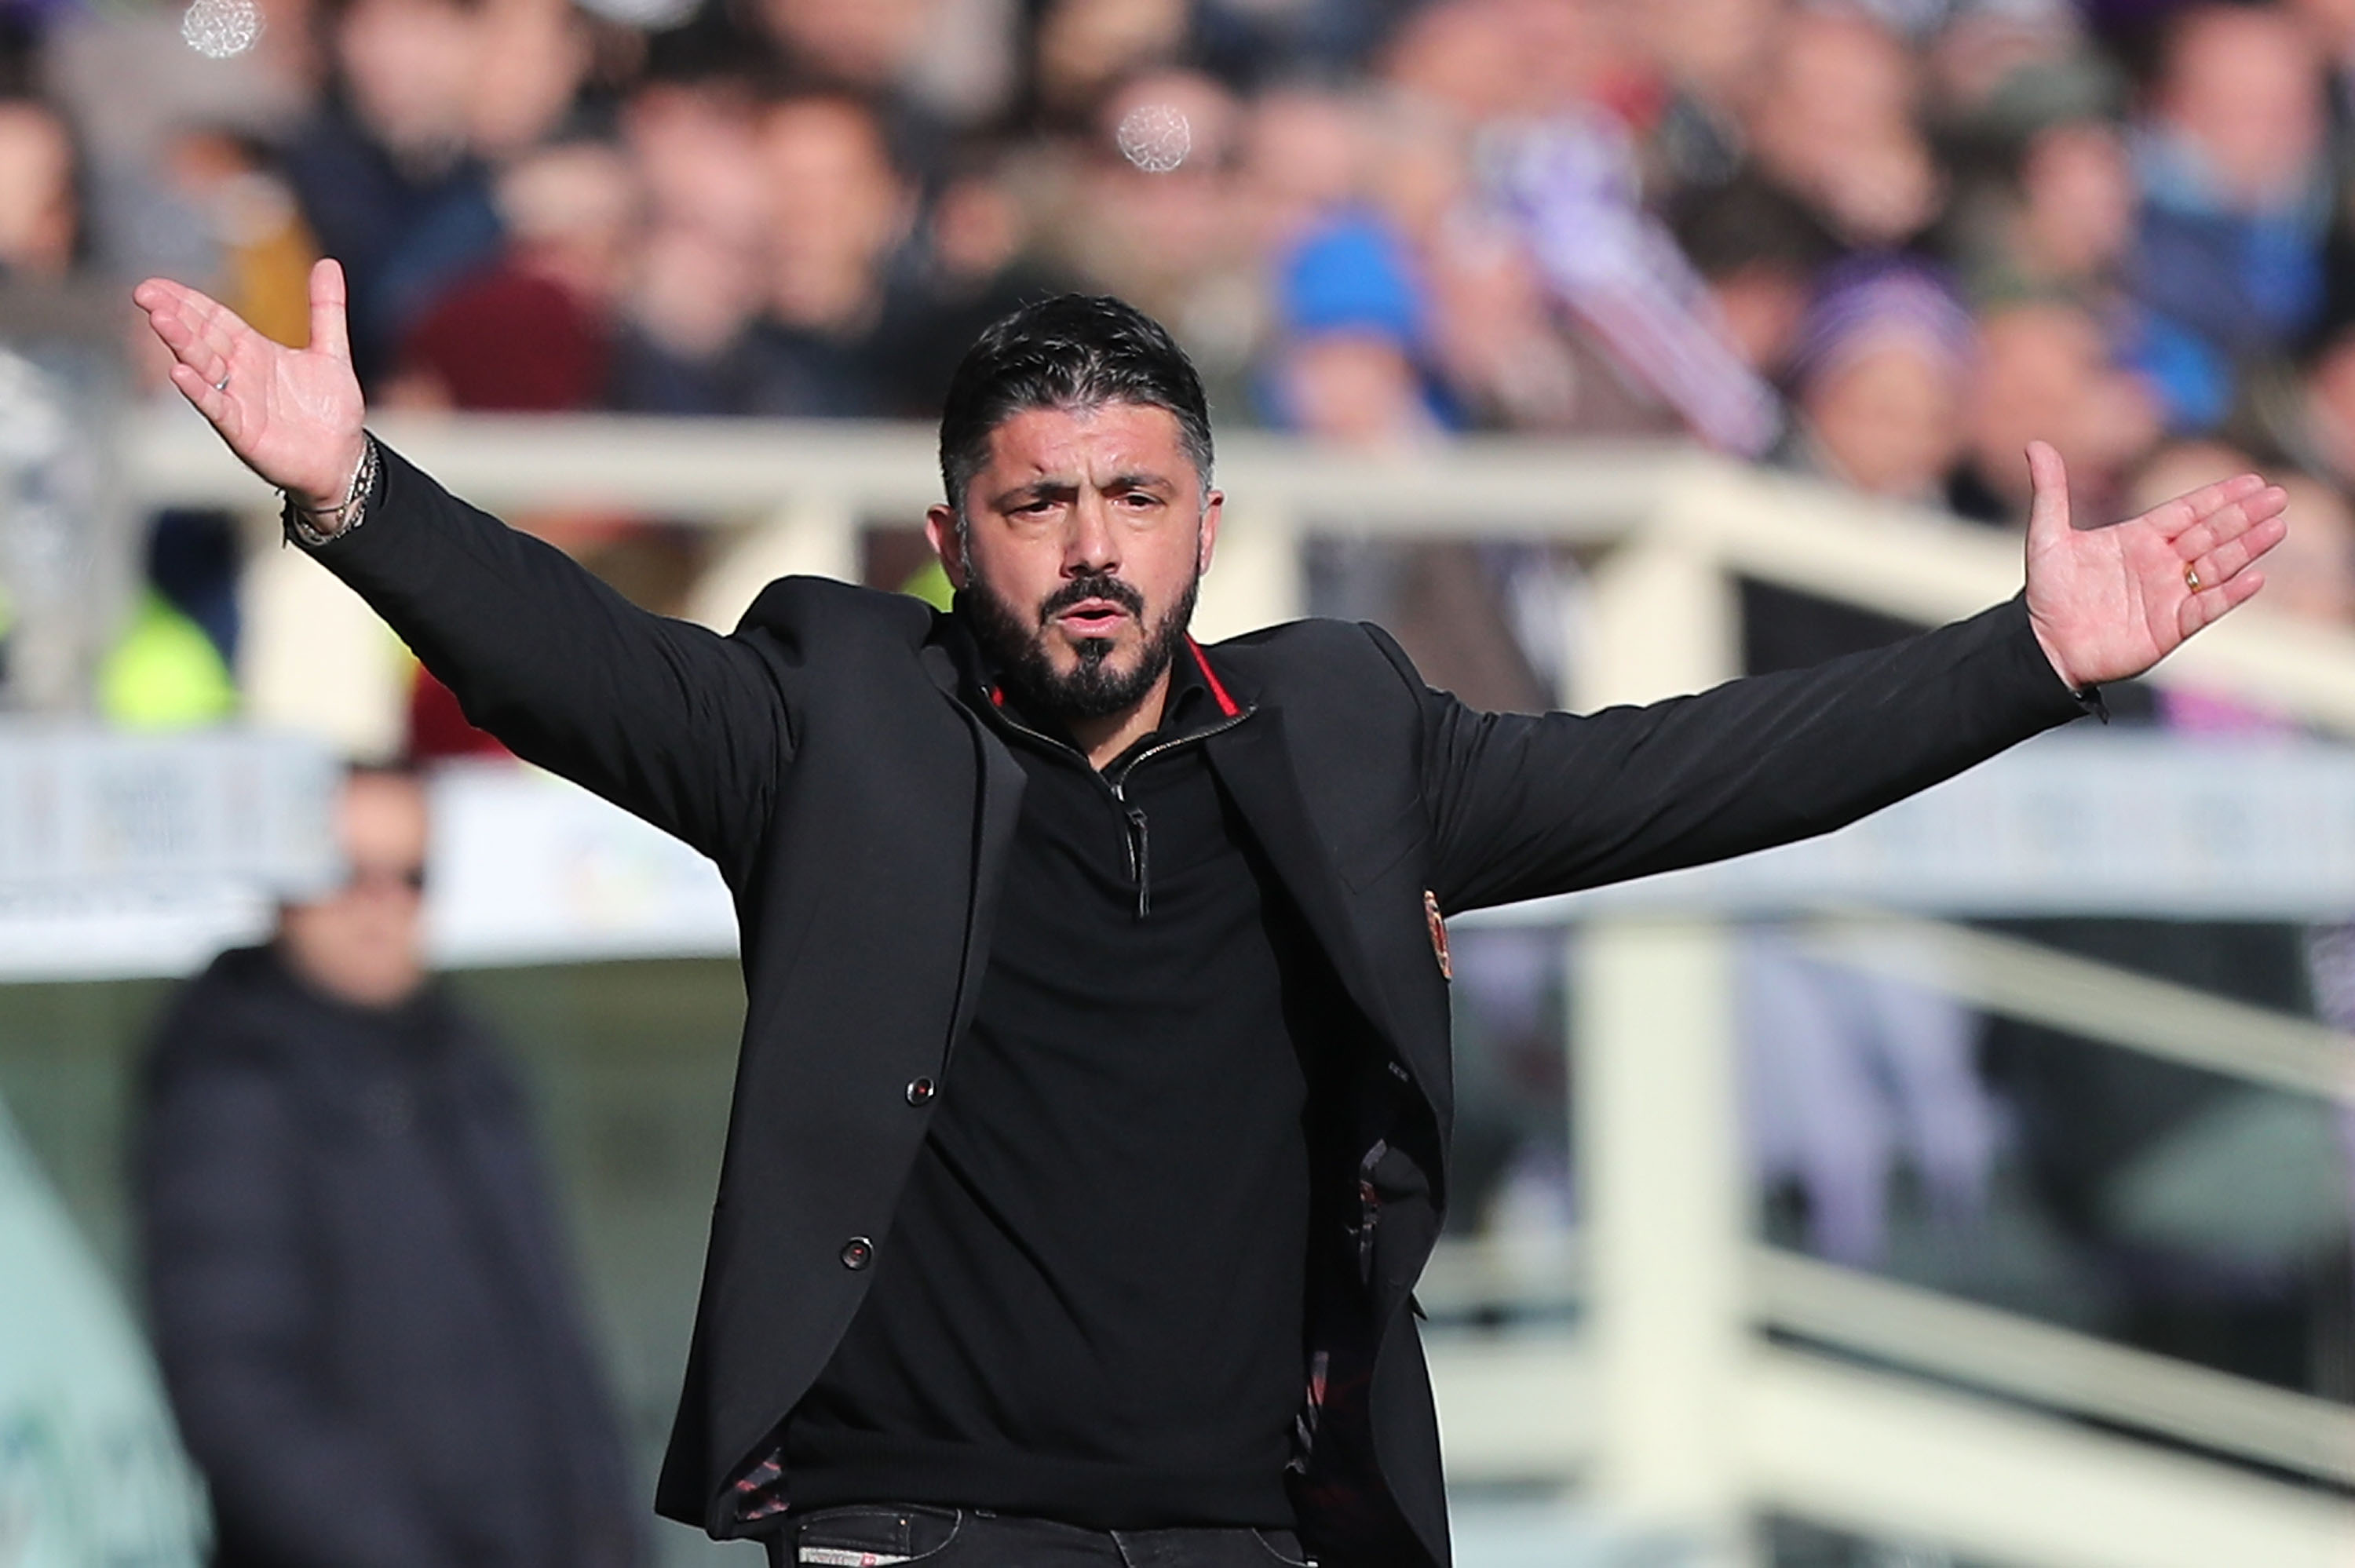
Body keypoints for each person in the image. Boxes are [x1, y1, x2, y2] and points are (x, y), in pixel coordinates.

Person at [131, 258, 2286, 1568]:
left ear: (1206, 523)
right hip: (916, 1521)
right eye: (1037, 501)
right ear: (950, 537)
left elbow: (1691, 768)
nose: (1090, 544)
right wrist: (352, 493)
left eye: (1134, 496)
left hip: (1258, 1525)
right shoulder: (829, 723)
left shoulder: (1342, 736)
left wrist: (2028, 657)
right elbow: (568, 658)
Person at [134, 764, 644, 1568]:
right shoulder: (231, 1078)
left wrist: (611, 1537)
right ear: (284, 888)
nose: (381, 904)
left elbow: (554, 1346)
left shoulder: (467, 1067)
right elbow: (238, 1394)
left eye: (410, 877)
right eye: (347, 874)